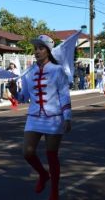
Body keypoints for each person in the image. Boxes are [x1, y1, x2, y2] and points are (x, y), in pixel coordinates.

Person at [18, 35, 71, 200]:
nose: (37, 52)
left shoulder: (57, 70)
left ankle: (54, 191)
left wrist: (67, 117)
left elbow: (64, 95)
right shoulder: (28, 72)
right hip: (34, 117)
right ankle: (43, 174)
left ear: (48, 51)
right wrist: (14, 91)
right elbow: (23, 98)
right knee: (27, 152)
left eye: (41, 48)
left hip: (54, 118)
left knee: (51, 155)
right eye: (35, 49)